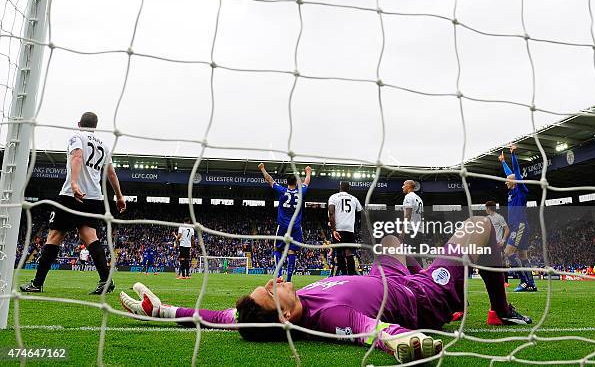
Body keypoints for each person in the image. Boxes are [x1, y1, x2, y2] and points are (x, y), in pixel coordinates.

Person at [120, 216, 532, 364]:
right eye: (270, 292)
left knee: (389, 244)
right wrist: (406, 341)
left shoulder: (255, 316)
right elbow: (370, 330)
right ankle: (501, 307)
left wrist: (159, 309)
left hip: (386, 274)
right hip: (419, 294)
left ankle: (450, 283)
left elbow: (209, 318)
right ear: (285, 317)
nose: (271, 282)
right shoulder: (327, 319)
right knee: (479, 227)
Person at [20, 112, 126, 295]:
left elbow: (76, 157)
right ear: (95, 126)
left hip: (72, 195)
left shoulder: (77, 137)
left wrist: (75, 183)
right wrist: (119, 196)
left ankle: (37, 283)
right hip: (94, 198)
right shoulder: (104, 145)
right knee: (90, 237)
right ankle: (106, 280)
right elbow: (111, 174)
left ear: (79, 124)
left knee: (54, 236)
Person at [258, 163, 311, 282]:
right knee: (292, 251)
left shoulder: (282, 190)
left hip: (283, 225)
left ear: (287, 182)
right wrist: (308, 171)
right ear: (296, 183)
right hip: (296, 226)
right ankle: (289, 279)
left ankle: (278, 276)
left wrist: (262, 169)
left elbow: (270, 180)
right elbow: (307, 182)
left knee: (277, 249)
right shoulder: (301, 191)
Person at [499, 144, 537, 292]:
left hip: (519, 226)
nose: (505, 181)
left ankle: (523, 281)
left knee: (508, 253)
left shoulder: (520, 190)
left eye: (508, 180)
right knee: (523, 256)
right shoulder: (511, 192)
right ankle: (531, 284)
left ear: (515, 182)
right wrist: (503, 161)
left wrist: (513, 155)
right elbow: (510, 174)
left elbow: (515, 173)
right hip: (519, 226)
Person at [328, 181, 362, 275]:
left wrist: (333, 230)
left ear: (340, 188)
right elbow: (360, 211)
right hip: (349, 229)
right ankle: (351, 276)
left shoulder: (333, 197)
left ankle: (342, 275)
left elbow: (331, 213)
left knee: (339, 252)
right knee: (349, 253)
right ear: (349, 189)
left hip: (338, 228)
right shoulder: (354, 199)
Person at [485, 201, 510, 286]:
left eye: (486, 208)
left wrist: (503, 240)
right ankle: (493, 281)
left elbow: (507, 229)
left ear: (488, 208)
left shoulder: (499, 217)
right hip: (489, 245)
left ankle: (505, 281)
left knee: (501, 262)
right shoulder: (487, 218)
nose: (485, 210)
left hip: (497, 244)